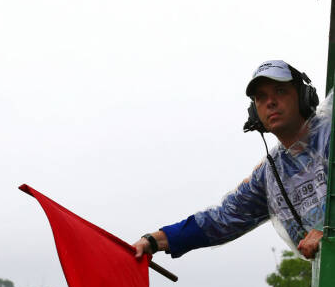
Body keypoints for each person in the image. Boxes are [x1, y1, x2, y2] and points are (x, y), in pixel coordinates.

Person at [133, 60, 329, 261]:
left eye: (280, 91)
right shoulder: (272, 172)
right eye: (261, 97)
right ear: (255, 111)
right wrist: (154, 240)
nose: (270, 102)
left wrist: (329, 231)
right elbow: (223, 219)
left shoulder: (329, 135)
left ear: (304, 97)